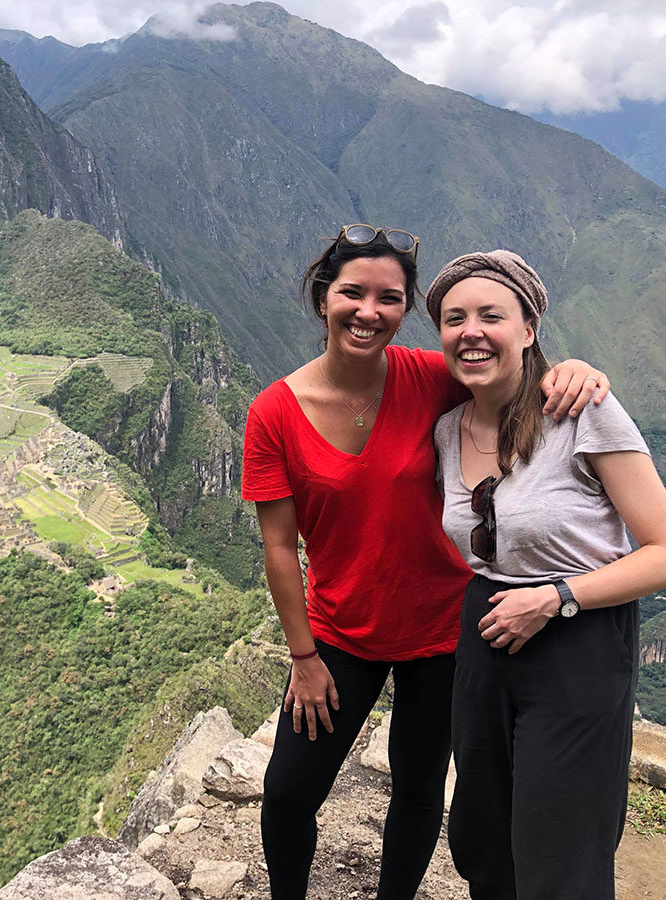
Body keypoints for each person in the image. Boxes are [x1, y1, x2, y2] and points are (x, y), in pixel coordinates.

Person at [241, 224, 608, 900]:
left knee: (418, 787)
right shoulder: (274, 413)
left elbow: (509, 374)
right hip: (340, 632)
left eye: (389, 299)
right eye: (353, 293)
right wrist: (303, 657)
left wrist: (574, 373)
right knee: (289, 789)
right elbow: (277, 546)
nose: (369, 312)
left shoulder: (430, 378)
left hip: (442, 631)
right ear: (325, 298)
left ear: (405, 310)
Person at [427, 250, 666, 900]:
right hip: (485, 631)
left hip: (577, 633)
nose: (470, 330)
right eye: (454, 318)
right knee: (482, 834)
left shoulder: (582, 412)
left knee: (560, 849)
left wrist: (557, 598)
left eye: (490, 315)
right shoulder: (449, 431)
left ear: (528, 328)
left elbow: (663, 548)